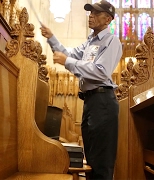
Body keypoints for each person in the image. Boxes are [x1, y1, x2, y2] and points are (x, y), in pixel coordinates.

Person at [40, 1, 122, 179]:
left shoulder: (112, 41)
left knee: (102, 163)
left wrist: (67, 62)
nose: (90, 15)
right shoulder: (90, 43)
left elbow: (100, 72)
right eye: (90, 12)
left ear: (107, 19)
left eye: (96, 13)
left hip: (103, 103)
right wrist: (51, 37)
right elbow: (68, 54)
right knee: (92, 159)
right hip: (91, 102)